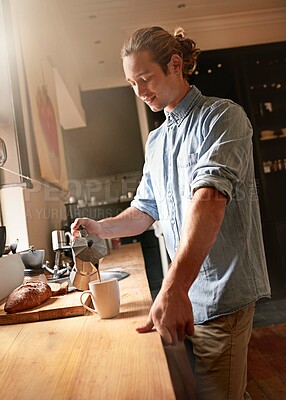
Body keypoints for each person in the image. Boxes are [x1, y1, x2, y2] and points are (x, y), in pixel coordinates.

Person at [71, 26, 271, 399]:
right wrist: (100, 226)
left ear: (175, 65)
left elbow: (210, 199)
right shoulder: (158, 139)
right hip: (183, 297)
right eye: (132, 83)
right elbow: (144, 210)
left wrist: (174, 287)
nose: (140, 91)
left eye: (145, 78)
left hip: (219, 296)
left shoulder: (223, 117)